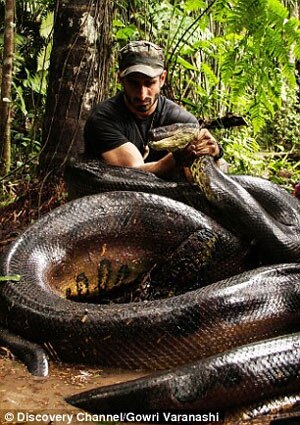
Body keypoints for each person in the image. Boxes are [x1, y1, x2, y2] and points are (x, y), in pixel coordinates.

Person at [84, 40, 224, 179]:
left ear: (162, 79)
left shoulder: (183, 122)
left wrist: (215, 153)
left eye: (149, 83)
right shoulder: (102, 118)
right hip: (111, 195)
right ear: (120, 79)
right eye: (134, 83)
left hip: (168, 199)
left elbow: (200, 177)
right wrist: (176, 158)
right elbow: (132, 174)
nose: (142, 94)